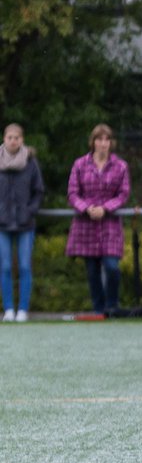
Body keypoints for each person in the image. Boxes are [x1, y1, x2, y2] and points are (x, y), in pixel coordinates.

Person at [67, 124, 130, 316]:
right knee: (92, 271)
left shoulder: (120, 166)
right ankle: (98, 310)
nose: (103, 143)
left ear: (111, 143)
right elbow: (72, 193)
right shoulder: (80, 164)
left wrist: (106, 208)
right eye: (99, 139)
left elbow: (124, 193)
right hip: (86, 224)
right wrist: (86, 208)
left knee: (111, 267)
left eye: (107, 139)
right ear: (93, 142)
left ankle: (111, 306)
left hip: (110, 224)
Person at [0, 123, 44, 322]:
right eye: (9, 137)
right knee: (6, 266)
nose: (13, 140)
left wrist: (30, 210)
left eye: (16, 137)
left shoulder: (31, 162)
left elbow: (38, 190)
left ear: (22, 140)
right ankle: (8, 309)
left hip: (26, 224)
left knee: (25, 266)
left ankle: (23, 309)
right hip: (2, 224)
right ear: (4, 139)